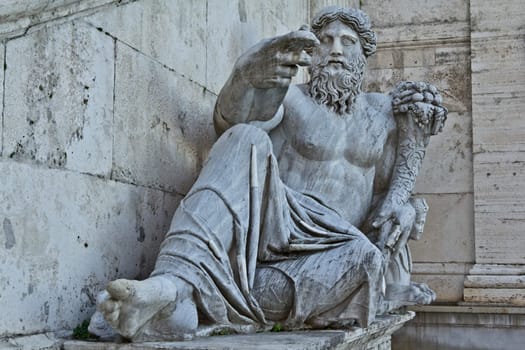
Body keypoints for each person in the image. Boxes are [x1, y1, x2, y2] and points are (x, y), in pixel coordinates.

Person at [90, 6, 446, 341]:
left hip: (339, 251)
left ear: (363, 55)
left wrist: (405, 203)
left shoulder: (381, 113)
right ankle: (170, 283)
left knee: (365, 258)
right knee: (246, 137)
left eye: (347, 42)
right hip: (279, 234)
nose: (336, 49)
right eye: (326, 41)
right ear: (313, 53)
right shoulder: (292, 99)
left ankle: (184, 302)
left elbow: (400, 177)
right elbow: (230, 123)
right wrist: (244, 78)